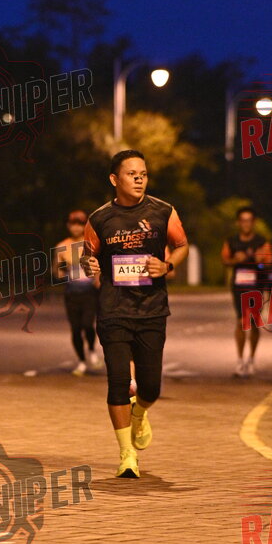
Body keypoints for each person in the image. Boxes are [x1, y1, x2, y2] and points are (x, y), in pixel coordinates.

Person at [81, 149, 189, 478]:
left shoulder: (163, 211)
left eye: (143, 173)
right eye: (132, 174)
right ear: (115, 179)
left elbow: (182, 245)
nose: (139, 179)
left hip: (152, 309)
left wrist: (167, 266)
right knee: (117, 381)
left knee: (150, 387)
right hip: (113, 308)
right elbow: (87, 257)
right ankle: (127, 454)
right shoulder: (99, 219)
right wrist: (88, 265)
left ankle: (139, 412)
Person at [221, 207, 272, 377]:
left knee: (254, 322)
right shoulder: (232, 241)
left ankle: (251, 359)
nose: (246, 224)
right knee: (241, 321)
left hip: (256, 286)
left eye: (249, 220)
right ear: (238, 222)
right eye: (243, 220)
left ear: (253, 222)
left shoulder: (261, 241)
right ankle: (240, 360)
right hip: (239, 286)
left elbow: (269, 262)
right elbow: (225, 260)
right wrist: (235, 260)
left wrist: (261, 261)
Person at [52, 210, 100, 375]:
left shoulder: (92, 244)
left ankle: (92, 350)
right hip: (72, 293)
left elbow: (99, 266)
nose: (76, 228)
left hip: (89, 293)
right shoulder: (62, 246)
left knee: (87, 324)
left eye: (80, 224)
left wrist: (98, 279)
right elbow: (57, 272)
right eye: (73, 224)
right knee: (76, 329)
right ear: (68, 226)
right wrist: (62, 270)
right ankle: (81, 361)